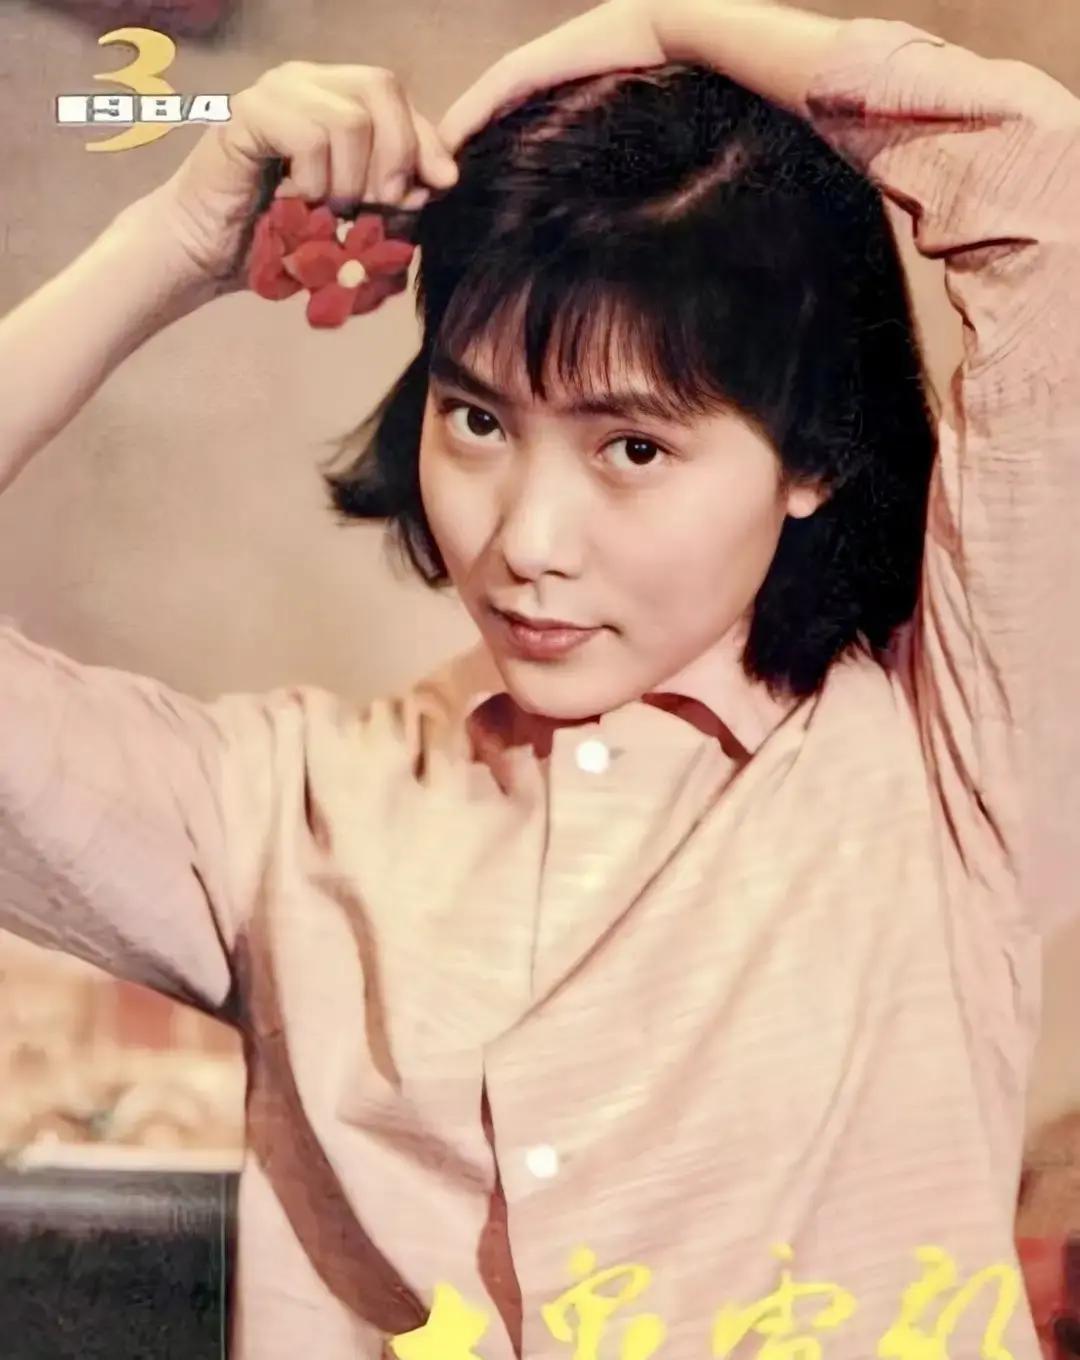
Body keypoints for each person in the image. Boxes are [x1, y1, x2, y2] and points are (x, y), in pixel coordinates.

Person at [2, 0, 1079, 1355]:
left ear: (812, 456)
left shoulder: (951, 763)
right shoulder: (288, 807)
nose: (525, 541)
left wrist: (661, 20)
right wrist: (170, 244)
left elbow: (1047, 185)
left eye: (633, 448)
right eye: (476, 419)